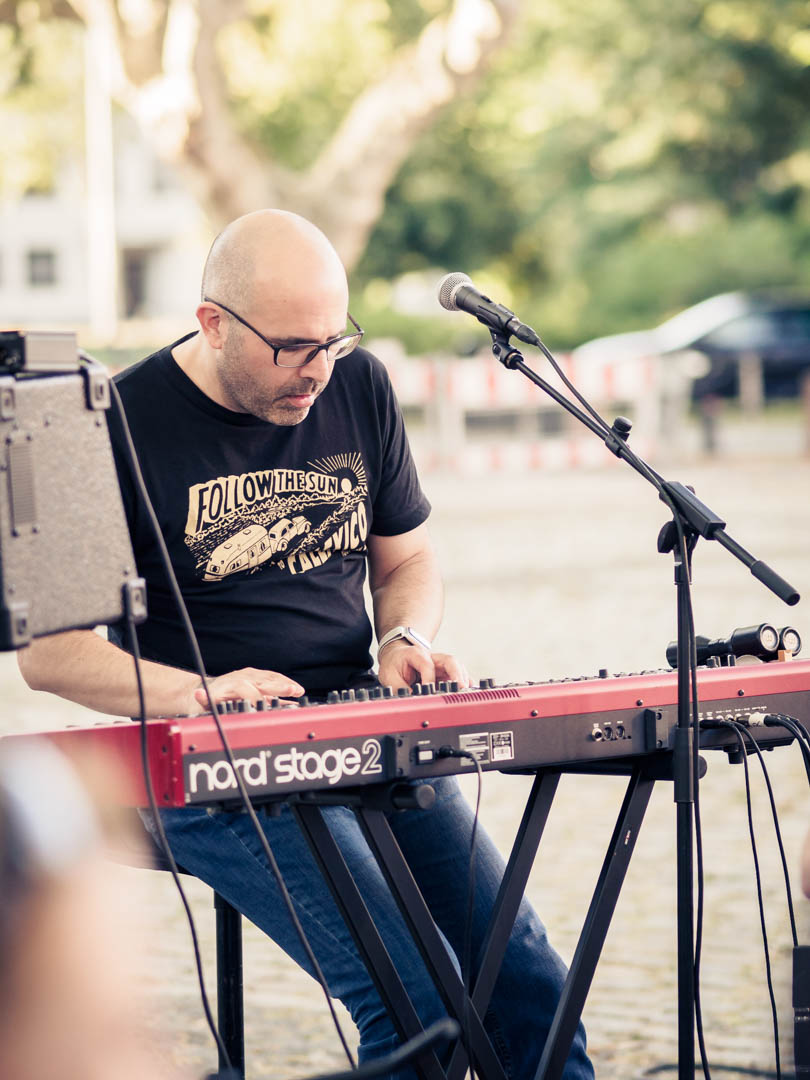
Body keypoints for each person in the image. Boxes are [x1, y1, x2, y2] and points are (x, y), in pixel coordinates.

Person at [18, 209, 593, 1079]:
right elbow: (49, 652)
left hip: (359, 726)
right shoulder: (102, 425)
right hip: (207, 764)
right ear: (213, 322)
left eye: (333, 339)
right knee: (417, 1007)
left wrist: (405, 634)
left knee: (528, 985)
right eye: (292, 347)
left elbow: (409, 558)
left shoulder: (357, 385)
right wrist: (198, 692)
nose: (318, 371)